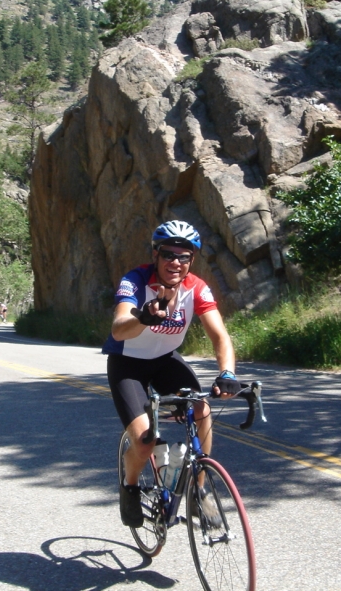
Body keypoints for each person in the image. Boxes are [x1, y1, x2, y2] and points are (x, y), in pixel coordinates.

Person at [102, 220, 240, 528]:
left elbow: (220, 337)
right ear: (156, 254)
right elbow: (119, 328)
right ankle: (131, 486)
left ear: (192, 260)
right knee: (144, 441)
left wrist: (227, 373)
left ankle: (198, 489)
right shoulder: (136, 280)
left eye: (184, 256)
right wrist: (145, 316)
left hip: (165, 359)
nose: (175, 262)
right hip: (128, 362)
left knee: (201, 408)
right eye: (168, 254)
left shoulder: (197, 288)